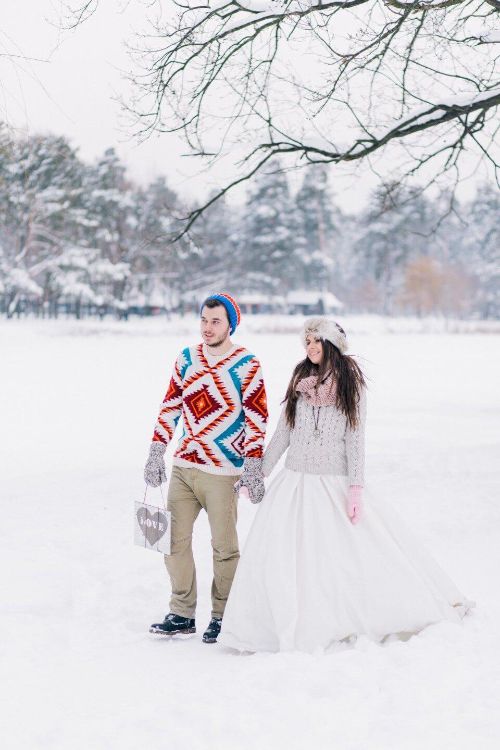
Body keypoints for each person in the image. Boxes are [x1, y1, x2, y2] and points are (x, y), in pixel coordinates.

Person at [220, 317, 473, 653]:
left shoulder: (350, 385)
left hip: (333, 483)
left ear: (332, 345)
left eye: (315, 341)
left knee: (342, 557)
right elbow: (283, 433)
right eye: (306, 342)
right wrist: (259, 472)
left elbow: (356, 438)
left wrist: (356, 487)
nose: (309, 348)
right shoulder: (300, 380)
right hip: (294, 483)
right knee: (286, 559)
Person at [144, 293, 268, 643]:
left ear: (230, 323)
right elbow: (170, 407)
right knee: (171, 541)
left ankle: (222, 615)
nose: (207, 327)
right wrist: (157, 451)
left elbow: (257, 418)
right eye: (203, 319)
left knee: (224, 547)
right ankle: (182, 612)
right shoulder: (186, 358)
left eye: (215, 321)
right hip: (184, 467)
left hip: (223, 472)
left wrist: (253, 466)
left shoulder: (247, 364)